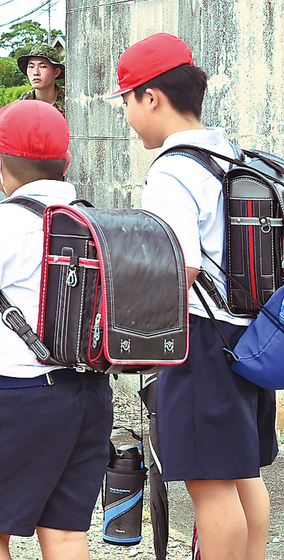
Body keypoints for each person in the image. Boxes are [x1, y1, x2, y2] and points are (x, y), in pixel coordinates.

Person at [109, 32, 278, 560]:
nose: (129, 117)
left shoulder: (173, 170)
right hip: (247, 335)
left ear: (151, 97)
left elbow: (174, 268)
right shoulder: (234, 154)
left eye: (127, 103)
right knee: (242, 476)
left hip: (201, 340)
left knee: (210, 488)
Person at [0, 100, 113, 560]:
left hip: (20, 397)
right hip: (90, 393)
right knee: (65, 531)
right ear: (67, 162)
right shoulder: (92, 219)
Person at [16, 44, 65, 115]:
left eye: (42, 67)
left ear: (56, 72)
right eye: (31, 66)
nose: (36, 72)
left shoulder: (71, 101)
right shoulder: (21, 105)